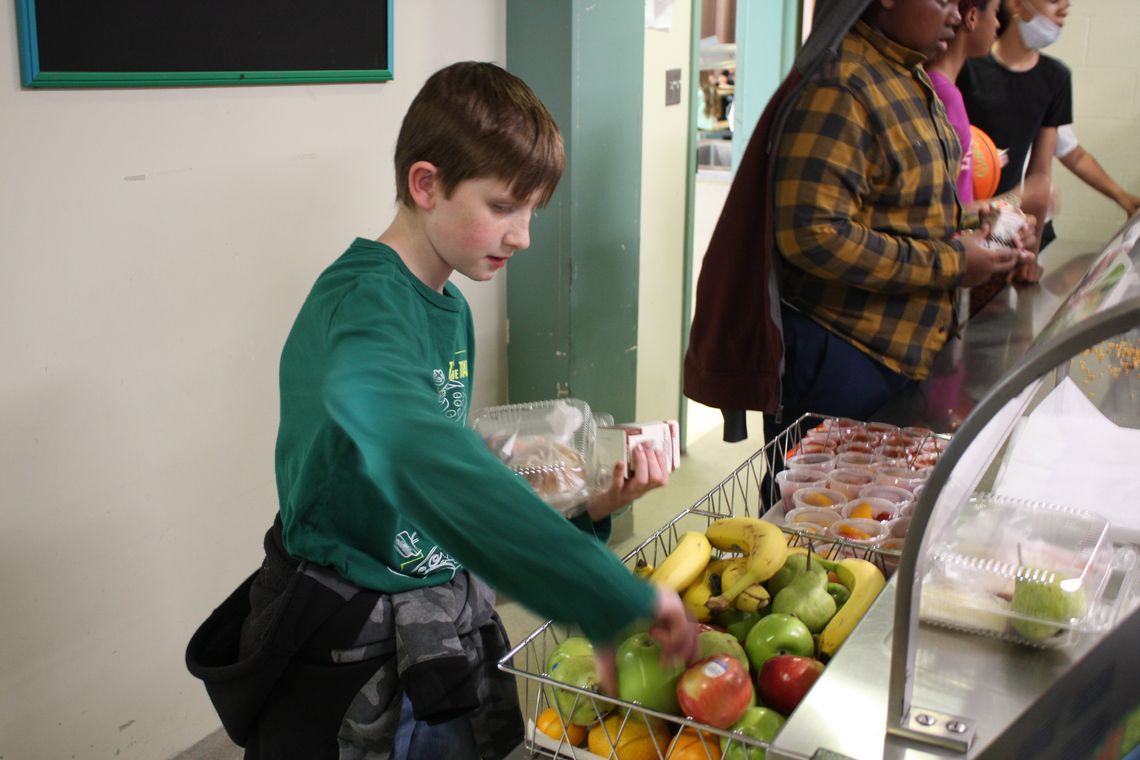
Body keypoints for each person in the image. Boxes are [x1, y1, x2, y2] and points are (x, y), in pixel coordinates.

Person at [186, 61, 697, 760]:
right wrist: (599, 592)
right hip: (352, 653)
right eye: (503, 206)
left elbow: (440, 492)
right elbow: (420, 458)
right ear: (426, 184)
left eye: (532, 211)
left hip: (434, 620)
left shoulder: (448, 305)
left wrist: (587, 507)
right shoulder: (361, 306)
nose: (523, 236)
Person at [684, 0, 1025, 474]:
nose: (955, 14)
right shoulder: (843, 86)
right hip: (842, 354)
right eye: (944, 0)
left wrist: (976, 221)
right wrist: (952, 262)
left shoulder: (904, 75)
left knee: (862, 506)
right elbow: (812, 235)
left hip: (891, 356)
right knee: (809, 507)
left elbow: (895, 206)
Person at [958, 0, 1072, 281]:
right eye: (1053, 0)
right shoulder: (968, 66)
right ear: (1017, 4)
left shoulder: (1055, 78)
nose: (1064, 8)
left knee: (991, 291)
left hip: (1002, 221)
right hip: (956, 218)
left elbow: (1040, 178)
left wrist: (1030, 256)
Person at [925, 0, 1003, 209]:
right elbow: (942, 206)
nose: (997, 23)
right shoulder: (943, 95)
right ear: (971, 17)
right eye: (995, 12)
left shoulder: (945, 89)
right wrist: (1018, 198)